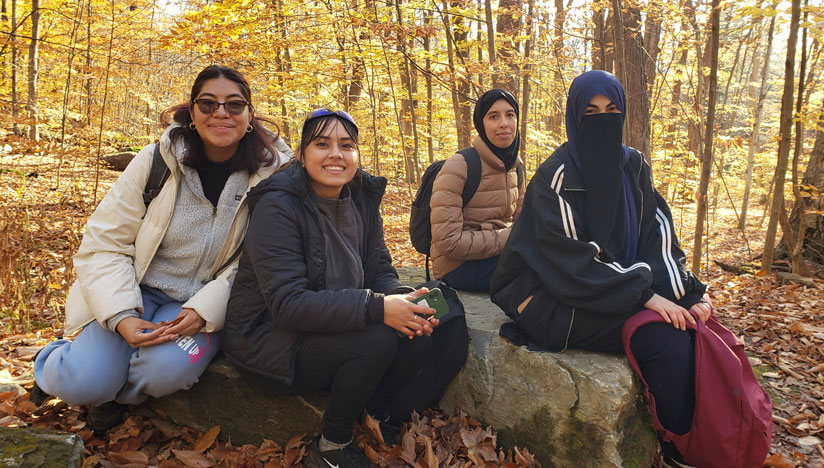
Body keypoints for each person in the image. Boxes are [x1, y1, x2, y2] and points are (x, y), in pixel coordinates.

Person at [31, 65, 291, 431]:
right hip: (134, 288)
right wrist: (121, 316)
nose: (221, 113)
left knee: (163, 373)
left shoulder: (275, 176)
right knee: (84, 382)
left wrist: (206, 309)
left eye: (234, 105)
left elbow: (261, 260)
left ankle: (119, 399)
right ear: (192, 112)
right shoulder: (157, 161)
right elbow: (105, 243)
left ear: (249, 115)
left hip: (202, 302)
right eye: (208, 103)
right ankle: (53, 364)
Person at [490, 70, 712, 468]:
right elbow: (572, 260)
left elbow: (657, 233)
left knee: (693, 327)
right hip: (545, 296)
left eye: (611, 109)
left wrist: (686, 292)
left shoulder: (634, 166)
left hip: (610, 286)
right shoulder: (556, 176)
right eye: (590, 111)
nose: (602, 119)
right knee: (667, 339)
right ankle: (679, 450)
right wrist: (644, 296)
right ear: (574, 117)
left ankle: (709, 434)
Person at [223, 109, 468, 468]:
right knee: (381, 337)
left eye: (346, 145)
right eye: (322, 144)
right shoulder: (278, 206)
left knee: (434, 309)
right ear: (302, 154)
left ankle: (381, 414)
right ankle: (332, 446)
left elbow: (380, 269)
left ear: (356, 155)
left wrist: (402, 299)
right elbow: (288, 305)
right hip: (271, 341)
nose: (336, 154)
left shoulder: (361, 199)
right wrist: (379, 308)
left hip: (337, 320)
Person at [429, 89, 524, 291]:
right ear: (481, 123)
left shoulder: (516, 166)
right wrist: (510, 238)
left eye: (510, 115)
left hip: (498, 256)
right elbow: (448, 242)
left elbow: (523, 223)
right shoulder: (459, 166)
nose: (504, 123)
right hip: (457, 267)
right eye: (493, 116)